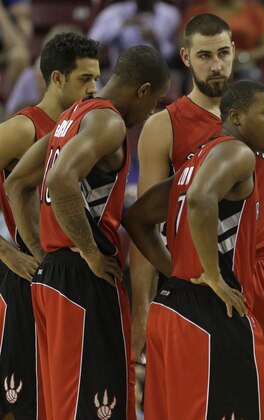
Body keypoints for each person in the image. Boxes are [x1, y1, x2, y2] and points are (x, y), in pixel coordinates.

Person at [131, 13, 264, 419]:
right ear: (185, 57)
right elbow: (144, 222)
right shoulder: (164, 125)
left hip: (261, 271)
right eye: (204, 55)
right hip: (204, 283)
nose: (216, 64)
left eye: (222, 53)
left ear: (235, 51)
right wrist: (144, 305)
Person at [5, 45, 170, 420]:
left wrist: (43, 254)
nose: (152, 112)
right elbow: (62, 181)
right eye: (156, 100)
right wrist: (90, 252)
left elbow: (17, 184)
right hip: (83, 280)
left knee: (61, 407)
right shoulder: (107, 121)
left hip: (53, 279)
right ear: (142, 91)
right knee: (99, 406)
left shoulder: (71, 116)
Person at [122, 80, 264, 419]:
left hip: (169, 307)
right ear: (236, 117)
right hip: (209, 313)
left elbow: (136, 218)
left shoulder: (195, 160)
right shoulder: (237, 153)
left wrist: (175, 271)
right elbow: (199, 199)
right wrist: (211, 273)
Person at [0, 31, 99, 420]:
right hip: (27, 271)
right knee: (18, 403)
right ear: (57, 78)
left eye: (97, 78)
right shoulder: (25, 127)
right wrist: (7, 252)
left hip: (68, 278)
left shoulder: (86, 127)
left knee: (58, 400)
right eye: (84, 79)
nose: (94, 89)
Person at [179, 1, 264, 81]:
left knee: (251, 75)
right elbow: (182, 42)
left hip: (244, 64)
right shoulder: (198, 10)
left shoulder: (255, 11)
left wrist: (242, 56)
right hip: (206, 63)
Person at [88, 0, 181, 70]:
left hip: (158, 70)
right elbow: (92, 40)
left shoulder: (170, 14)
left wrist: (155, 40)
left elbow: (173, 53)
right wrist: (122, 23)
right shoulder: (116, 12)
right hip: (122, 70)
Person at [0, 0, 32, 97]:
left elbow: (18, 44)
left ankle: (10, 108)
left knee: (20, 55)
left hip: (4, 54)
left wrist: (1, 13)